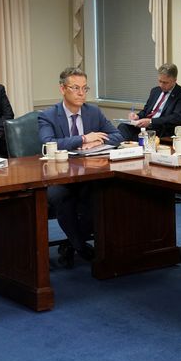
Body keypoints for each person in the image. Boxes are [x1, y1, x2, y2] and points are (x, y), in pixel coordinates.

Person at [39, 67, 124, 268]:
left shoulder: (93, 111)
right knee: (63, 198)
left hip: (88, 174)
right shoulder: (48, 115)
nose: (81, 93)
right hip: (58, 176)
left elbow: (118, 135)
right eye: (75, 88)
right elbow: (48, 144)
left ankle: (72, 244)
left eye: (85, 88)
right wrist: (83, 139)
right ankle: (80, 246)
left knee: (101, 195)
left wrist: (97, 143)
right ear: (62, 89)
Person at [118, 63, 181, 140]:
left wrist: (151, 122)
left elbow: (175, 118)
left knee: (136, 138)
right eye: (160, 81)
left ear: (174, 80)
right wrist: (137, 116)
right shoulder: (155, 91)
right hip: (144, 127)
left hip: (160, 129)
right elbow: (146, 111)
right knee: (123, 126)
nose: (161, 85)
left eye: (165, 82)